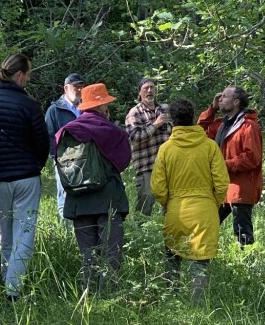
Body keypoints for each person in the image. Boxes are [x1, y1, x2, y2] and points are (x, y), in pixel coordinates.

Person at [0, 53, 50, 299]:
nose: (28, 79)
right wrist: (34, 166)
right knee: (24, 233)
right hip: (25, 176)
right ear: (20, 75)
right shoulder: (29, 105)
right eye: (28, 74)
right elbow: (42, 143)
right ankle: (13, 289)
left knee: (5, 231)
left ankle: (7, 279)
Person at [55, 83, 131, 293]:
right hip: (107, 199)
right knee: (111, 253)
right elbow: (124, 160)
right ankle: (108, 298)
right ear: (102, 107)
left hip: (78, 201)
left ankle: (88, 296)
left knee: (87, 254)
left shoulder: (64, 132)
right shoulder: (112, 131)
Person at [151, 99, 229, 302]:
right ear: (194, 118)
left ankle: (171, 299)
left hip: (176, 210)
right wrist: (213, 203)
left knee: (172, 255)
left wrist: (167, 204)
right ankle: (198, 307)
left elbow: (158, 187)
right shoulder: (210, 147)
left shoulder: (166, 149)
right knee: (200, 261)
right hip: (205, 210)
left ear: (172, 121)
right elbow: (221, 184)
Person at [198, 86, 264, 246]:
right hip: (223, 186)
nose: (220, 98)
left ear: (236, 101)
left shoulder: (248, 126)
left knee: (242, 233)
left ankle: (248, 264)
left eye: (224, 96)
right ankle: (201, 259)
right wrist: (212, 109)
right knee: (207, 223)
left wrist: (222, 165)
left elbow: (251, 158)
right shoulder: (222, 124)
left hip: (241, 188)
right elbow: (199, 130)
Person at [125, 78, 171, 216]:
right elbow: (135, 137)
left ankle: (171, 232)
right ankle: (141, 234)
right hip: (147, 166)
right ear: (140, 93)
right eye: (146, 88)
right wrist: (155, 125)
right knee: (146, 203)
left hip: (168, 164)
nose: (150, 91)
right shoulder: (134, 113)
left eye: (152, 87)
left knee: (170, 202)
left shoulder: (165, 109)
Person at [45, 72, 85, 220]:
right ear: (66, 88)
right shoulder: (55, 110)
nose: (80, 90)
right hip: (64, 161)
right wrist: (56, 158)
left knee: (84, 193)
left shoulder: (86, 108)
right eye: (76, 87)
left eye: (82, 86)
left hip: (85, 160)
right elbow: (49, 135)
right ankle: (67, 234)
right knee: (65, 195)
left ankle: (81, 228)